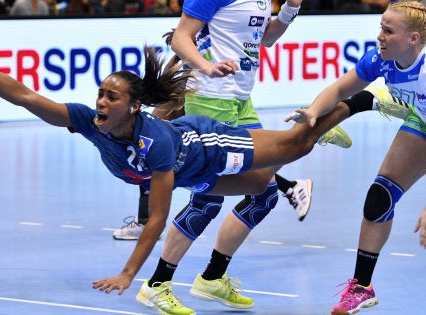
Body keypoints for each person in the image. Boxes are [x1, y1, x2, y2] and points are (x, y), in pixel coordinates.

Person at [0, 45, 358, 305]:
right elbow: (24, 96)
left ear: (133, 107)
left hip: (207, 148)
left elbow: (156, 219)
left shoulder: (157, 144)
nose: (100, 101)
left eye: (111, 96)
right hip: (194, 175)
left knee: (295, 145)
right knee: (262, 186)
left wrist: (130, 274)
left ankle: (352, 105)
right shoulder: (91, 125)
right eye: (100, 93)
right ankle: (306, 144)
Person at [131, 1, 353, 313]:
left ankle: (212, 277)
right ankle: (156, 286)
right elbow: (182, 37)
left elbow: (266, 38)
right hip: (210, 97)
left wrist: (289, 9)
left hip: (239, 99)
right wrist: (206, 66)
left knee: (264, 193)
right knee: (207, 200)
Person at [289, 1, 425, 314]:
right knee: (380, 197)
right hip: (422, 119)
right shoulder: (381, 58)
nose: (380, 35)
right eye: (380, 26)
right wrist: (313, 112)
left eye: (388, 31)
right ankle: (362, 288)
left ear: (414, 39)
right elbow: (339, 89)